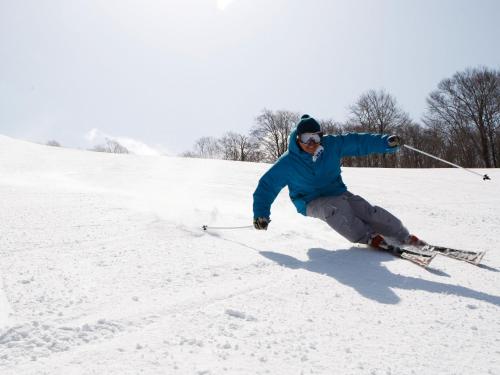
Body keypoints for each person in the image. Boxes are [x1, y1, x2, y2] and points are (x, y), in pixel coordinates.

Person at [252, 114, 424, 249]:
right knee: (334, 208)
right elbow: (267, 186)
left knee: (366, 210)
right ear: (298, 138)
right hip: (309, 201)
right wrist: (261, 215)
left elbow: (357, 143)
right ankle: (369, 237)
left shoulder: (331, 146)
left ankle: (401, 235)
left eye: (315, 138)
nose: (311, 143)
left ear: (321, 137)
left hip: (337, 192)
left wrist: (386, 143)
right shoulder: (288, 162)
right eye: (306, 138)